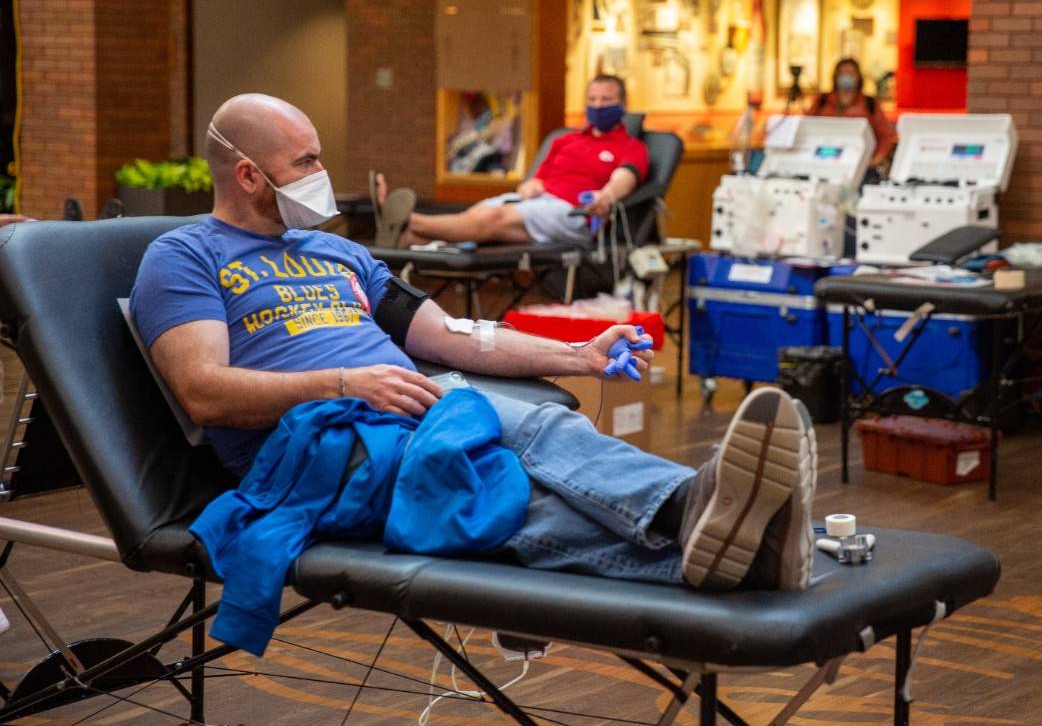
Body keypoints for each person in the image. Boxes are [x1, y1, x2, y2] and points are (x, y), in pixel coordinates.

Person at [131, 93, 815, 596]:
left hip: (418, 407)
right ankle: (741, 544)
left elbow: (455, 335)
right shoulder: (185, 255)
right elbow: (203, 389)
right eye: (304, 160)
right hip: (317, 447)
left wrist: (577, 353)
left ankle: (690, 506)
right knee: (496, 492)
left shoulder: (337, 252)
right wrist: (343, 384)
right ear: (249, 174)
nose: (320, 172)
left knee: (538, 421)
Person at [378, 75, 648, 248]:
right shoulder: (564, 140)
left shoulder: (632, 147)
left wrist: (607, 196)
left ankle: (407, 219)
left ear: (623, 103)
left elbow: (623, 178)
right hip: (535, 203)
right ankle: (404, 238)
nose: (598, 105)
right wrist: (528, 187)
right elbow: (536, 179)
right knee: (474, 217)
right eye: (592, 99)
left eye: (606, 99)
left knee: (493, 217)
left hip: (576, 214)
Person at [807, 57, 896, 169]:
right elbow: (807, 129)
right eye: (842, 73)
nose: (846, 77)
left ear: (858, 77)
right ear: (835, 76)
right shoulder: (822, 100)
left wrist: (875, 159)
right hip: (823, 160)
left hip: (860, 164)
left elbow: (886, 136)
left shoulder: (870, 103)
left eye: (850, 73)